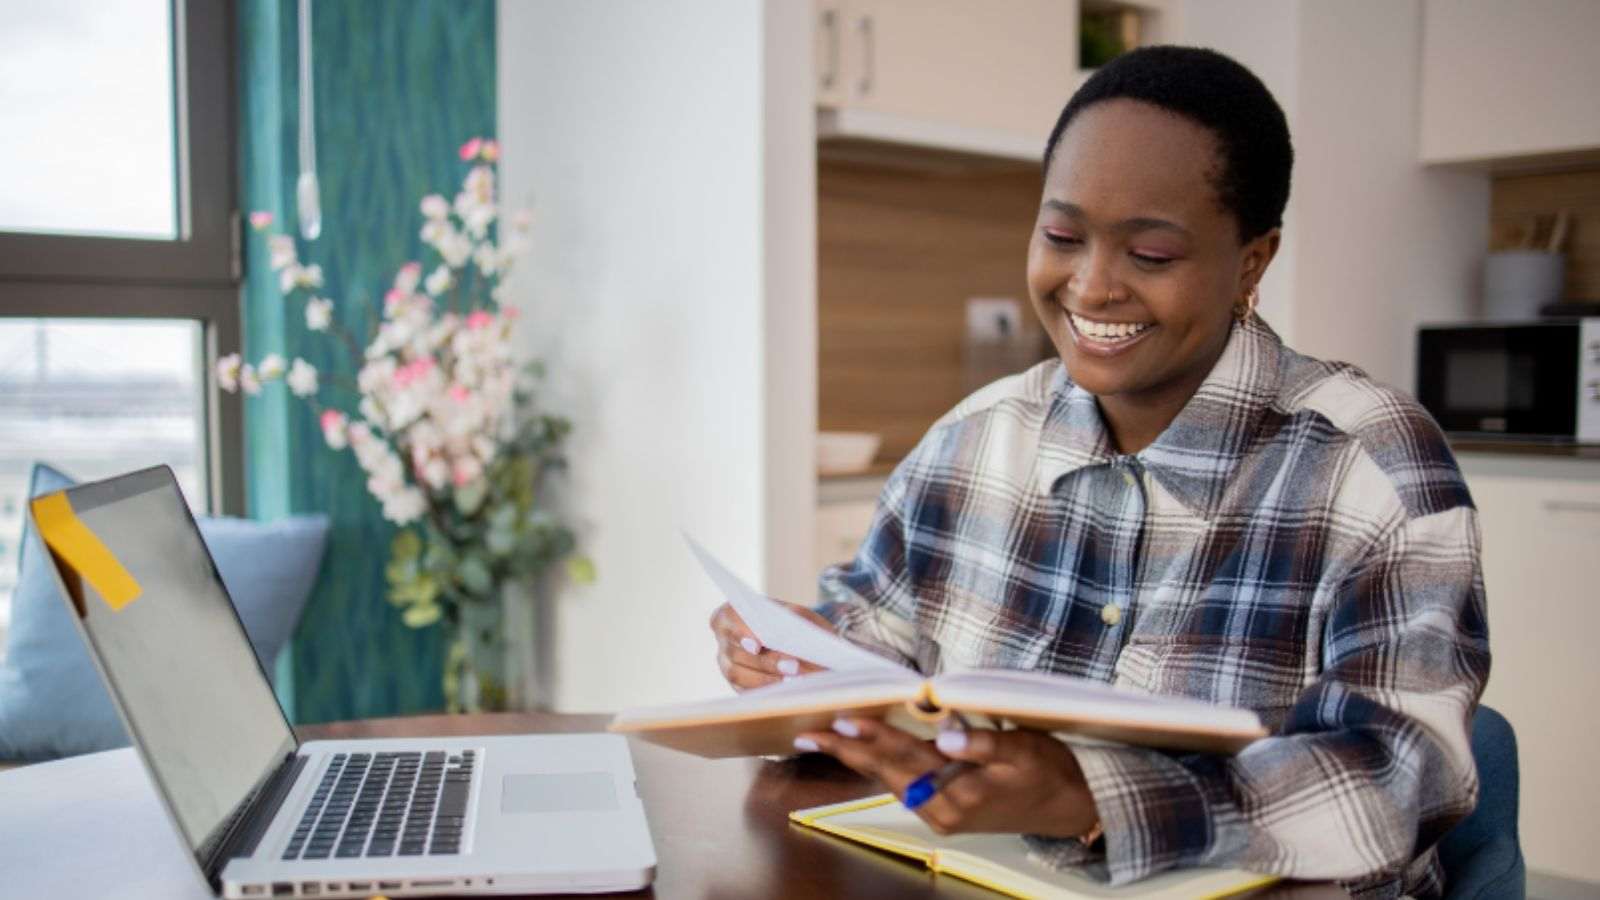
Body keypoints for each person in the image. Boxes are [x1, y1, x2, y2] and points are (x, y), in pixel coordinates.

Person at [709, 45, 1487, 898]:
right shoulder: (974, 440)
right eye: (1061, 236)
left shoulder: (1370, 466)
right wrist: (802, 667)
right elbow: (875, 640)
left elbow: (1401, 780)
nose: (1092, 285)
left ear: (1252, 263)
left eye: (1150, 254)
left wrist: (1090, 798)